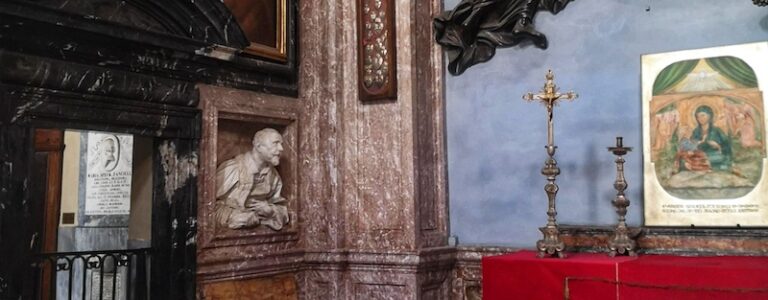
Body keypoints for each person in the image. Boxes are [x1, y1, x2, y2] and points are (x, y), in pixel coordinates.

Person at [213, 128, 290, 230]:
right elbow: (206, 205)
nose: (281, 148)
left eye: (281, 144)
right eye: (275, 143)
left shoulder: (274, 176)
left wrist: (270, 211)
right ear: (258, 146)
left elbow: (282, 209)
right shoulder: (233, 169)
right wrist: (231, 216)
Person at [691, 105, 732, 171]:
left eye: (703, 115)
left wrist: (718, 146)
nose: (700, 118)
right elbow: (691, 146)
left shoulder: (717, 131)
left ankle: (709, 166)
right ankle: (704, 165)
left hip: (714, 156)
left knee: (715, 158)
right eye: (698, 116)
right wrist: (697, 143)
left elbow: (727, 147)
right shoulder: (696, 131)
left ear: (709, 116)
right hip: (699, 157)